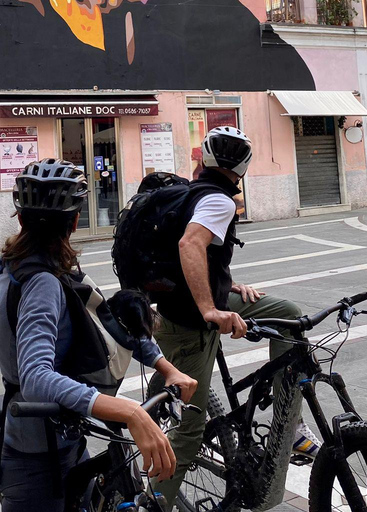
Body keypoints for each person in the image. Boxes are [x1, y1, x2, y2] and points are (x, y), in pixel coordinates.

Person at [0, 158, 198, 512]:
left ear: (21, 219)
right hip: (38, 454)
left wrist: (165, 367)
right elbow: (35, 376)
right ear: (75, 222)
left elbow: (107, 319)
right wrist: (129, 412)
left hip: (64, 432)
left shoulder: (30, 264)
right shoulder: (41, 282)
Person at [150, 127, 321, 506]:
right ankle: (151, 502)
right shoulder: (219, 201)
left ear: (203, 159)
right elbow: (189, 244)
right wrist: (211, 308)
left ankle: (288, 420)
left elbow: (195, 256)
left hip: (180, 305)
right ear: (243, 167)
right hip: (188, 322)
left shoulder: (191, 193)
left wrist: (226, 287)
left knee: (288, 316)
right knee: (189, 435)